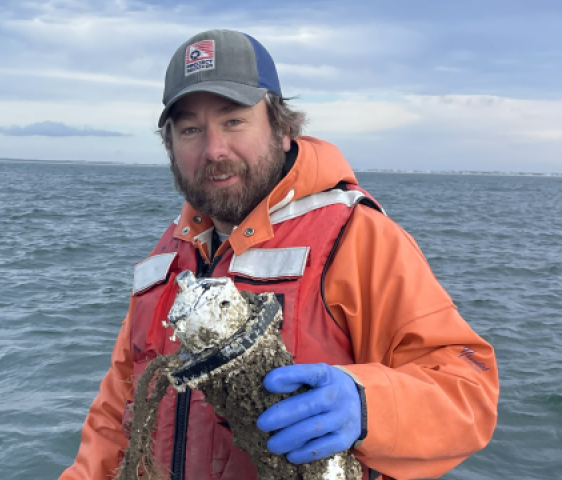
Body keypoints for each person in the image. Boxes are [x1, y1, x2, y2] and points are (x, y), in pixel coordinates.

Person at [59, 29, 499, 480]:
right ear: (170, 144)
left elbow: (469, 391)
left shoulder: (357, 237)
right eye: (190, 129)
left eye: (234, 121)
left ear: (283, 128)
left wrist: (367, 406)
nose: (214, 150)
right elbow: (116, 421)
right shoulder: (167, 258)